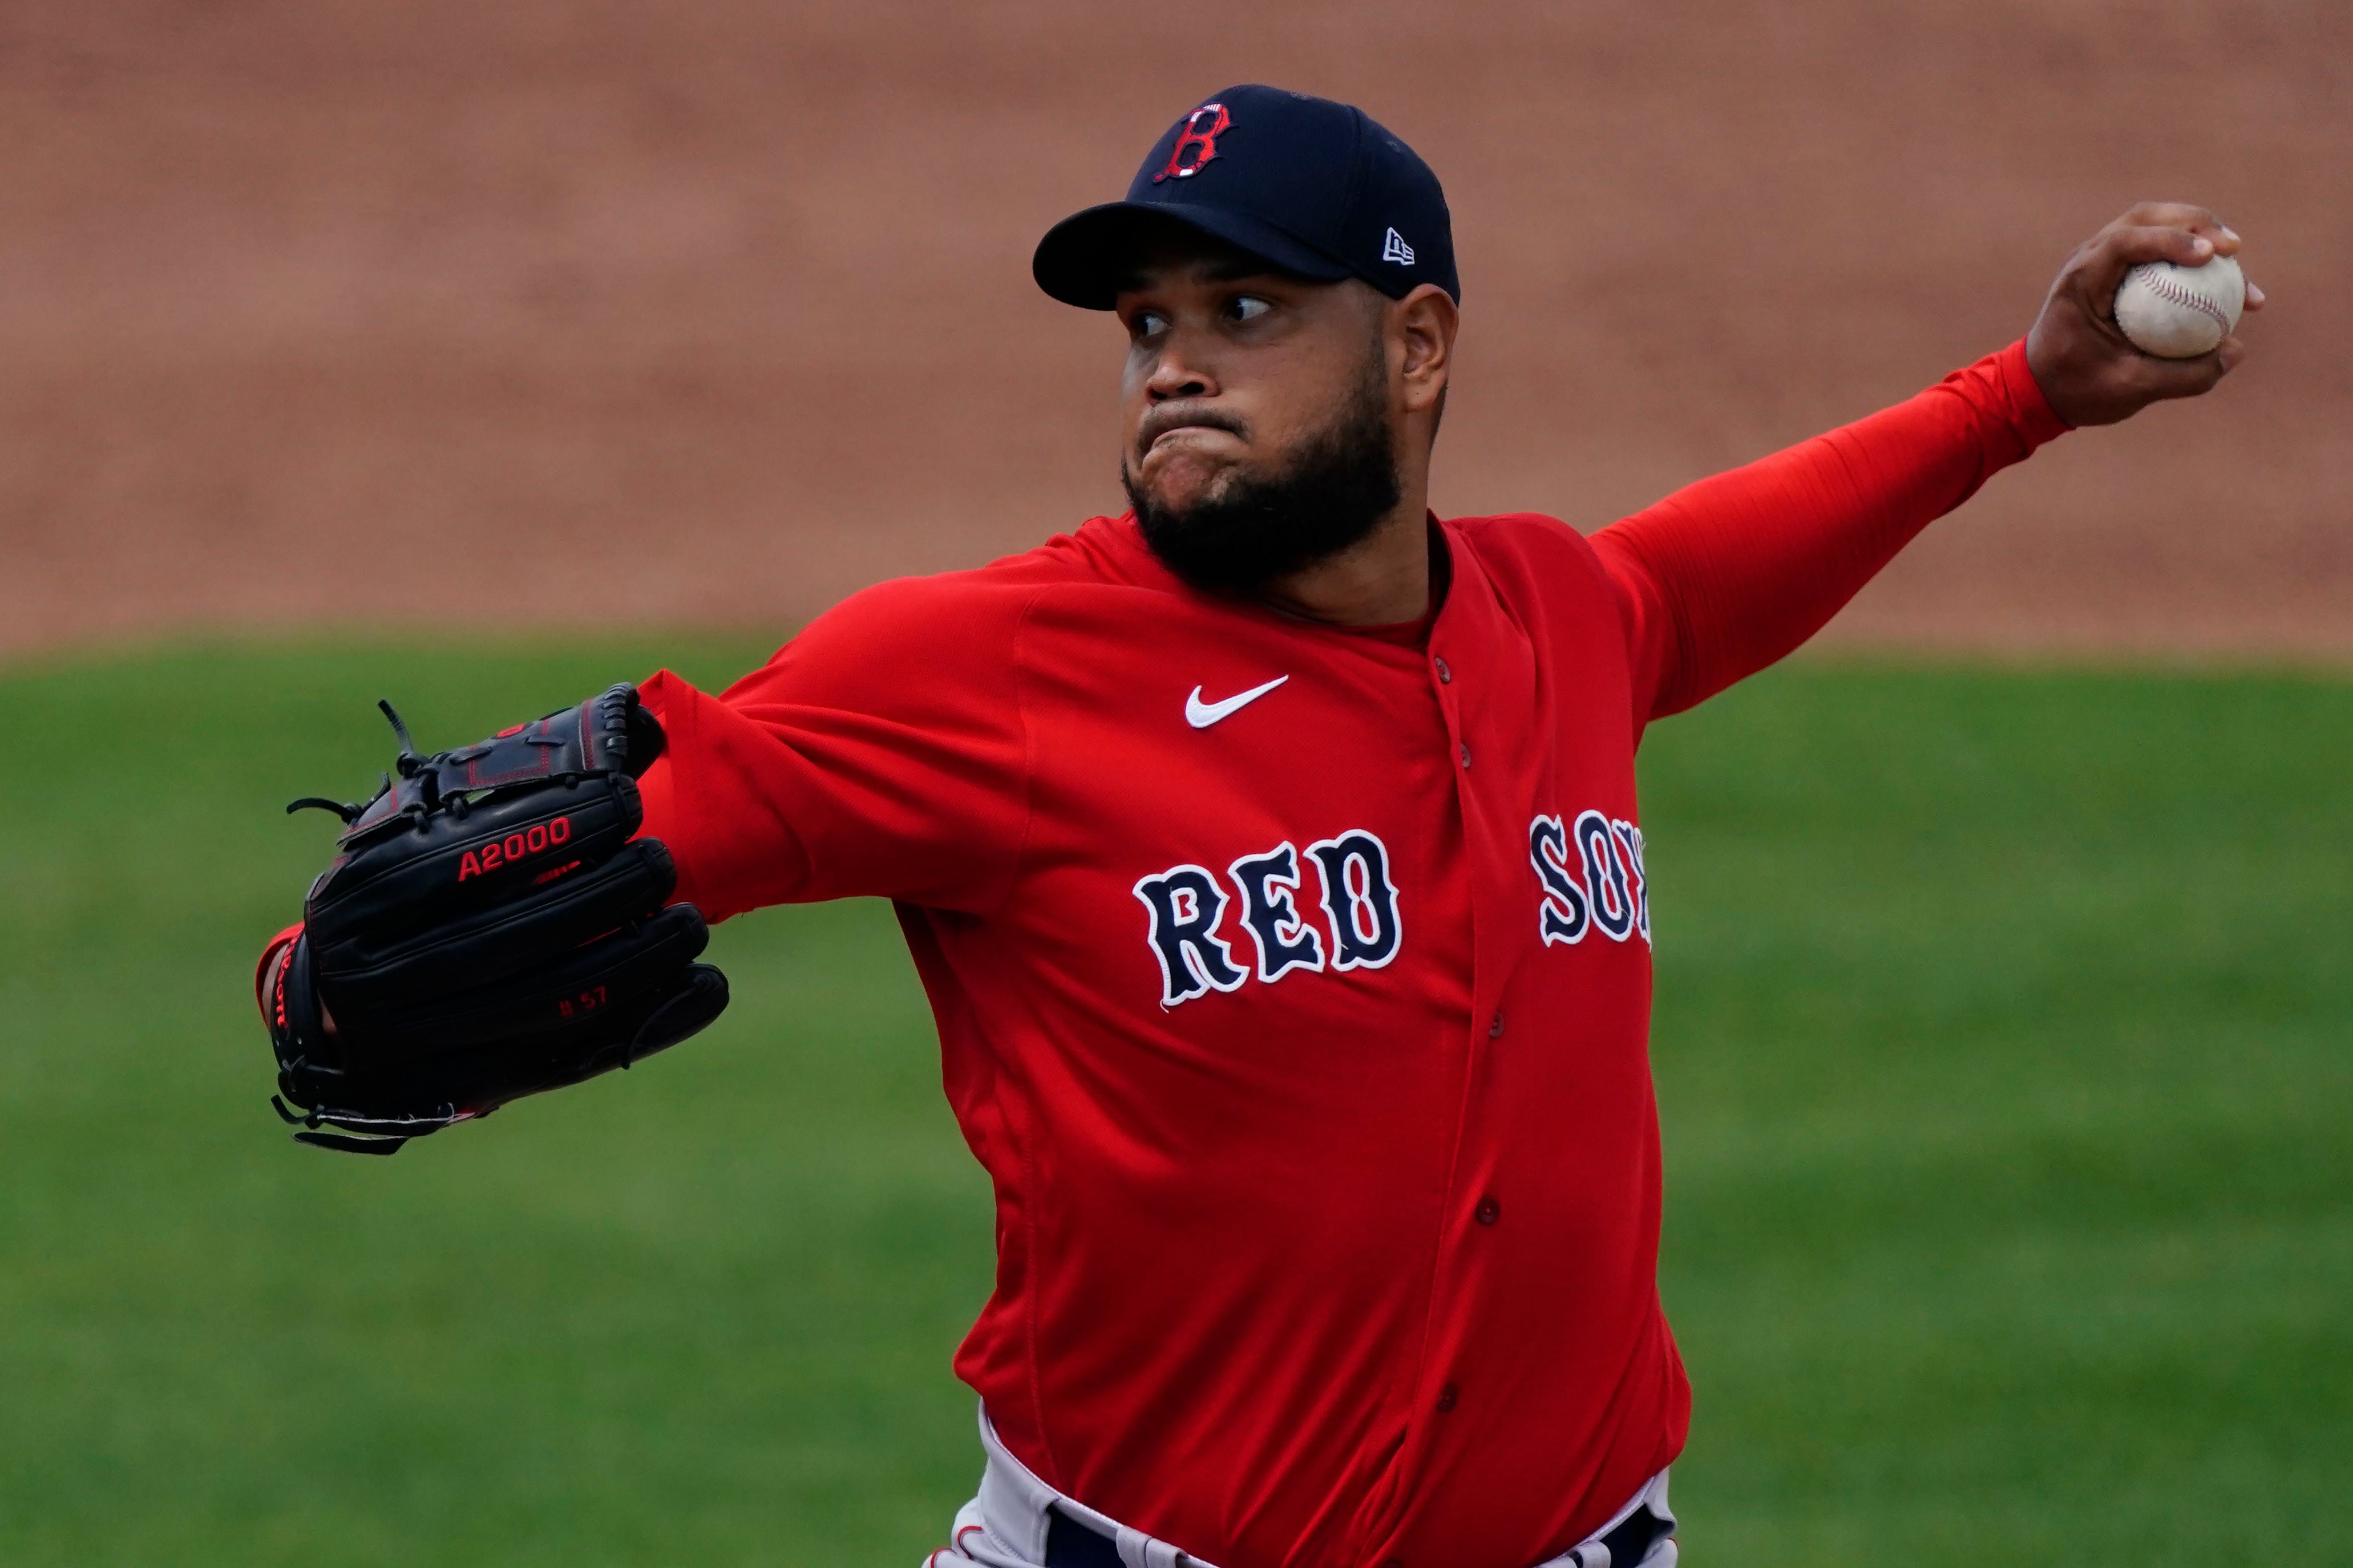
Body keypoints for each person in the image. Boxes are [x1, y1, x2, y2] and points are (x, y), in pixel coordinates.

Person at [257, 84, 2260, 1568]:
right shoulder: (990, 672)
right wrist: (325, 985)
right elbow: (575, 860)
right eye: (1144, 327)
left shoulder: (1565, 616)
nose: (1175, 369)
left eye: (1243, 311)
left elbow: (1722, 561)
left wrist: (2023, 393)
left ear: (1416, 348)